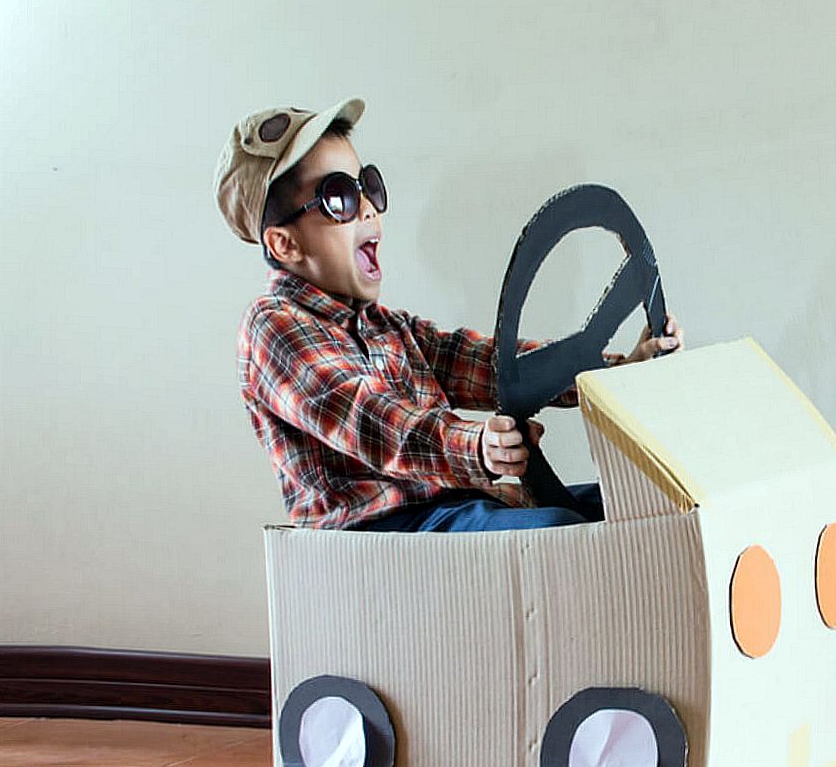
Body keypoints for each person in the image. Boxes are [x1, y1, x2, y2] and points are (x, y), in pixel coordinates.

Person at [214, 97, 682, 532]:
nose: (370, 211)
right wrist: (475, 446)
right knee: (558, 532)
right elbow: (372, 422)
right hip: (383, 531)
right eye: (341, 198)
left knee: (633, 508)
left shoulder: (389, 327)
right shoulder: (274, 328)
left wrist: (614, 371)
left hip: (458, 507)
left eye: (369, 187)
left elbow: (491, 364)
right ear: (285, 243)